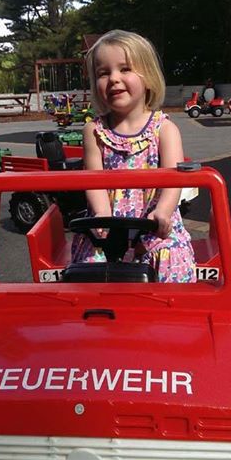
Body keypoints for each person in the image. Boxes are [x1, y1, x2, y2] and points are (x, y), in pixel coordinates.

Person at [71, 29, 196, 283]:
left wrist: (162, 212)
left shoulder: (165, 128)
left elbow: (174, 180)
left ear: (148, 77)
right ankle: (97, 317)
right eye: (103, 73)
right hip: (108, 222)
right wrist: (102, 218)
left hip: (153, 221)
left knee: (170, 259)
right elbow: (93, 181)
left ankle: (169, 314)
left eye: (125, 69)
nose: (114, 79)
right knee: (89, 267)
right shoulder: (94, 131)